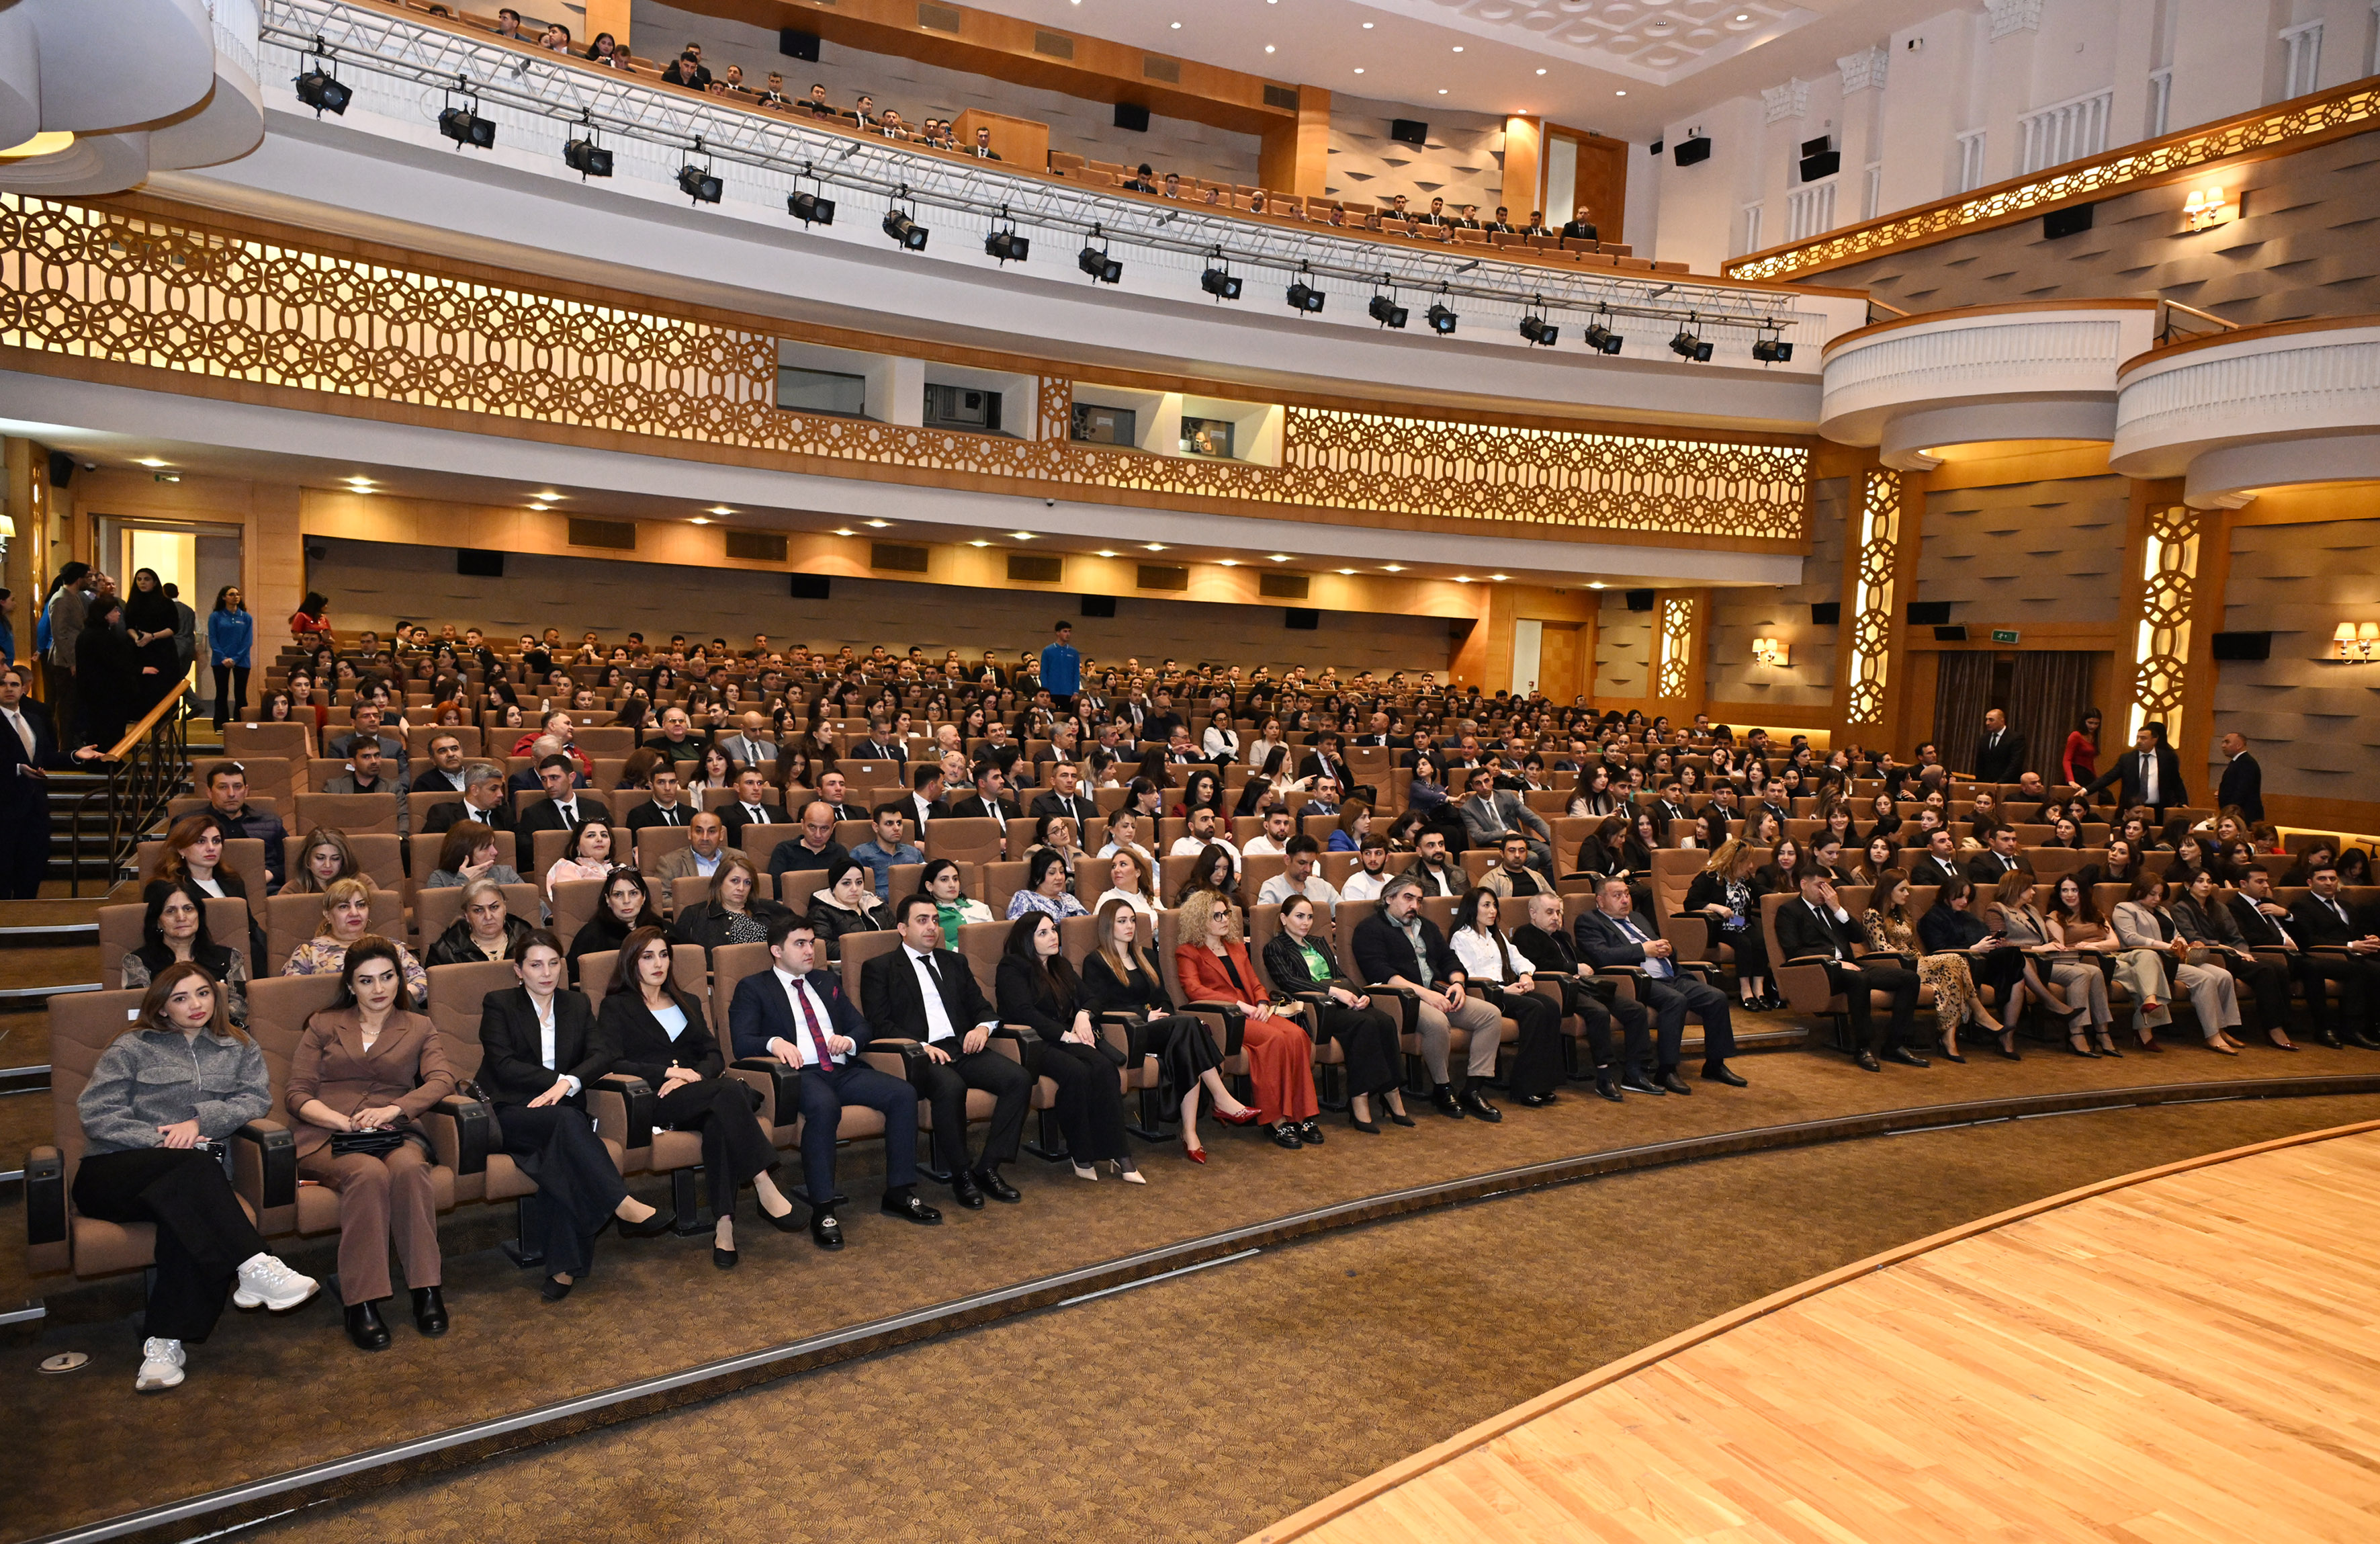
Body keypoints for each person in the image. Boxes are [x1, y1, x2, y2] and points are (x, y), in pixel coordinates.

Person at [74, 963, 322, 1390]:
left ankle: (164, 1342)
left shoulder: (239, 1046)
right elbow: (97, 1112)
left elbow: (254, 1100)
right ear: (162, 1007)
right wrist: (162, 1140)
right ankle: (253, 1264)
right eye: (181, 997)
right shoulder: (132, 1046)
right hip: (115, 1171)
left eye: (204, 993)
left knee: (185, 1212)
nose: (196, 1005)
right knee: (191, 1170)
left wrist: (199, 1121)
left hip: (191, 1179)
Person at [476, 933, 675, 1299]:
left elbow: (602, 1055)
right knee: (569, 1126)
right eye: (536, 965)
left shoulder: (576, 1003)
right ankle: (620, 1202)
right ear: (518, 970)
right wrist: (557, 1082)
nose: (546, 973)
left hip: (560, 1111)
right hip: (511, 1111)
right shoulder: (499, 1003)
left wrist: (568, 1083)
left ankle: (564, 1269)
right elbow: (503, 1064)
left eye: (554, 963)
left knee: (559, 1155)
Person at [283, 937, 455, 1349]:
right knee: (367, 1174)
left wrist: (395, 1109)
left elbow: (442, 1079)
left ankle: (426, 1289)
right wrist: (340, 1121)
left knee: (410, 1168)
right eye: (366, 980)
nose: (379, 989)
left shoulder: (418, 1026)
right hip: (328, 1135)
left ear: (399, 979)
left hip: (392, 1131)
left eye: (387, 977)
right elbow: (297, 1093)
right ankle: (361, 1301)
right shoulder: (323, 1025)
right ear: (350, 985)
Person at [728, 913, 938, 1247]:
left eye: (812, 943)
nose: (810, 950)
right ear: (777, 951)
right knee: (825, 1107)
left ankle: (899, 1191)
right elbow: (741, 1042)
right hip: (799, 1075)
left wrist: (850, 1040)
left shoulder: (826, 982)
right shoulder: (754, 987)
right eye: (800, 944)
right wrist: (774, 1043)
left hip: (842, 1069)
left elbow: (862, 1026)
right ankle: (823, 1208)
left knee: (903, 1094)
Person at [599, 927, 797, 1267]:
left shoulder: (687, 1001)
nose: (658, 964)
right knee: (729, 1091)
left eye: (664, 955)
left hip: (703, 1094)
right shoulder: (616, 1007)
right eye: (648, 957)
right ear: (631, 962)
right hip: (655, 1097)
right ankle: (762, 1179)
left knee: (719, 1122)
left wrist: (695, 1076)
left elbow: (714, 1054)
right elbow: (613, 1061)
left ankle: (724, 1226)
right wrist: (670, 1073)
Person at [861, 894, 1034, 1209]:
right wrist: (921, 1047)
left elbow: (981, 1007)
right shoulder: (880, 968)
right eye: (922, 921)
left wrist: (982, 1029)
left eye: (935, 920)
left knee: (1019, 1079)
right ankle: (962, 1174)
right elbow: (879, 1024)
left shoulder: (955, 962)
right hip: (917, 1056)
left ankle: (988, 1167)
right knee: (951, 1087)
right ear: (902, 928)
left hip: (961, 1047)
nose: (932, 927)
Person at [1174, 889, 1323, 1148]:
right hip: (1225, 1018)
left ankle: (1301, 1114)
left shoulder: (1236, 947)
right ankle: (1275, 1120)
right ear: (1200, 919)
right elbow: (1195, 991)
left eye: (1226, 914)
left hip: (1253, 1010)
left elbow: (1255, 982)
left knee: (1298, 1035)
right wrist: (1239, 1005)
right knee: (1275, 1039)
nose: (1224, 919)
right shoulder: (1188, 952)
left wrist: (1263, 1002)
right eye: (1217, 915)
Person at [996, 912, 1140, 1182]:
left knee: (1105, 1067)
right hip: (1032, 1043)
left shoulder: (1059, 964)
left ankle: (1119, 1153)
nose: (1053, 936)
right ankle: (1081, 1152)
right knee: (1077, 1072)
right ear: (1026, 940)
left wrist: (1084, 1014)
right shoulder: (1012, 967)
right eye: (1043, 933)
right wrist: (1065, 1035)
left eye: (1053, 930)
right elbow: (1023, 1013)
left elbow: (1093, 998)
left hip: (1065, 1037)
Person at [1350, 873, 1508, 1119]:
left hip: (1437, 993)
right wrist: (1426, 995)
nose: (1414, 905)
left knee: (1490, 1015)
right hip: (1398, 999)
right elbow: (1380, 972)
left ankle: (1473, 1088)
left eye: (1419, 900)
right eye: (1408, 898)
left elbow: (1448, 959)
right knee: (1437, 1021)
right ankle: (1443, 1088)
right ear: (1389, 898)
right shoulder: (1370, 929)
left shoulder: (1427, 927)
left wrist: (1458, 983)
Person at [1574, 874, 1745, 1090]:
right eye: (1617, 896)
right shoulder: (1589, 921)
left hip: (1671, 976)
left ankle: (1715, 1064)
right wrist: (1642, 950)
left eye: (1627, 894)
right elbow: (1601, 957)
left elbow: (1658, 945)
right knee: (1675, 1000)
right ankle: (1667, 1070)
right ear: (1600, 901)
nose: (1625, 900)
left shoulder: (1637, 918)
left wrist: (1669, 950)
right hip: (1637, 981)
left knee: (1717, 997)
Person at [1262, 894, 1407, 1131]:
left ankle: (1392, 1092)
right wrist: (1332, 992)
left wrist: (1361, 994)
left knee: (1385, 1020)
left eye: (1310, 917)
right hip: (1316, 1008)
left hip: (1341, 1001)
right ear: (1284, 918)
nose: (1306, 922)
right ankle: (1359, 1098)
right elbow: (1289, 982)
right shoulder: (1275, 948)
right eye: (1299, 916)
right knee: (1364, 1024)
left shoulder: (1319, 943)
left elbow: (1340, 976)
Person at [1774, 869, 1926, 1072]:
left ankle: (1894, 1044)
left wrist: (1838, 909)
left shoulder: (1831, 908)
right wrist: (1834, 962)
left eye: (1829, 887)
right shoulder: (1789, 911)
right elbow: (1794, 950)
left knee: (1909, 978)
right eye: (1820, 886)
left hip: (1851, 966)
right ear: (1804, 884)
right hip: (1821, 970)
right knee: (1859, 980)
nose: (1825, 892)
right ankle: (1863, 1047)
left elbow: (1857, 937)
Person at [1511, 890, 1651, 1101]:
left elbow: (1588, 961)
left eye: (1558, 913)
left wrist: (1582, 969)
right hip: (1557, 989)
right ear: (1533, 913)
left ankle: (1634, 1071)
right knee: (1598, 1012)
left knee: (1636, 1009)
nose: (1556, 917)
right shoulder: (1525, 935)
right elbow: (1536, 965)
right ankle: (1604, 1075)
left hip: (1585, 986)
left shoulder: (1563, 936)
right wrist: (1573, 968)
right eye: (1549, 912)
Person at [1446, 889, 1567, 1107]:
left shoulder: (1496, 935)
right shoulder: (1461, 938)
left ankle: (1543, 1082)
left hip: (1508, 988)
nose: (1493, 911)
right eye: (1486, 905)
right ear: (1472, 909)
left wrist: (1526, 975)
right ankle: (1524, 1086)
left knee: (1550, 1005)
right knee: (1534, 1009)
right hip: (1486, 994)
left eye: (1494, 905)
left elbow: (1519, 959)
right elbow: (1468, 975)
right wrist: (1503, 990)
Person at [2114, 875, 2247, 1053]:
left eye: (2160, 895)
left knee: (2223, 976)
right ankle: (2212, 1035)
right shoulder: (2125, 908)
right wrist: (2166, 946)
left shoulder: (2163, 911)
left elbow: (2176, 934)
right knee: (2205, 978)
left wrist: (2182, 942)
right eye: (2152, 894)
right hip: (2148, 961)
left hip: (2173, 959)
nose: (2157, 899)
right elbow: (2130, 938)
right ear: (2139, 891)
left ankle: (2223, 1029)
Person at [2170, 869, 2295, 1049]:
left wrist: (2244, 952)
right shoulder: (2181, 908)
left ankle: (2285, 1023)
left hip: (2234, 954)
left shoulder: (2219, 907)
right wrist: (2230, 950)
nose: (2206, 885)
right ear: (2188, 885)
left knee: (2280, 969)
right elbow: (2194, 939)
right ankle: (2273, 1029)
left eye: (2209, 881)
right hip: (2211, 956)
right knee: (2265, 971)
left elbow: (2236, 936)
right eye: (2200, 881)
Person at [1, 662, 80, 896]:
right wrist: (17, 769)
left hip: (35, 809)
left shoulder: (34, 719)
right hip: (4, 808)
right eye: (3, 684)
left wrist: (75, 755)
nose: (9, 688)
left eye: (14, 684)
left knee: (32, 869)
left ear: (23, 689)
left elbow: (46, 756)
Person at [120, 880, 250, 1023]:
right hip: (163, 1035)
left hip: (220, 1032)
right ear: (158, 921)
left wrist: (200, 1024)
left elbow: (239, 1009)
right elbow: (145, 1011)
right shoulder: (137, 962)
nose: (181, 917)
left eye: (188, 909)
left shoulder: (230, 958)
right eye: (170, 911)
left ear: (199, 915)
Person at [2028, 875, 2120, 1054]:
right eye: (2065, 890)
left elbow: (2115, 943)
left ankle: (2102, 1032)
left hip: (2101, 958)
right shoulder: (2056, 917)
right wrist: (2083, 948)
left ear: (2083, 892)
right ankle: (2077, 1032)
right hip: (2069, 961)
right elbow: (2060, 951)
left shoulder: (2096, 914)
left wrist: (2094, 946)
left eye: (2074, 890)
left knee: (2096, 972)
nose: (2069, 895)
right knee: (2087, 972)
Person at [1681, 838, 1773, 1012]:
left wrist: (1780, 896)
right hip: (1719, 924)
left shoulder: (1744, 878)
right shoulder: (1709, 877)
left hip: (1739, 921)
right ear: (1735, 861)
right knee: (1743, 943)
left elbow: (1761, 892)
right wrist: (1715, 907)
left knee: (1761, 941)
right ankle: (1745, 990)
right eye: (1747, 862)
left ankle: (1759, 989)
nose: (1751, 866)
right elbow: (1690, 903)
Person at [670, 853, 790, 955]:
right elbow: (681, 957)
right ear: (720, 882)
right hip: (721, 975)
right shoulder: (694, 914)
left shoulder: (771, 909)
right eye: (735, 881)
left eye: (747, 882)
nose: (741, 888)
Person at [568, 869, 658, 982]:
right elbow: (574, 979)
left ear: (643, 897)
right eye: (618, 895)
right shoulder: (591, 935)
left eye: (633, 893)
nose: (626, 901)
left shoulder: (660, 928)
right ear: (608, 900)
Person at [2084, 722, 2188, 819]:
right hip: (2132, 809)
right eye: (2138, 738)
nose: (2139, 741)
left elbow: (2177, 782)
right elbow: (2109, 777)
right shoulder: (2127, 759)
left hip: (2159, 809)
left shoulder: (2167, 758)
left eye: (2143, 738)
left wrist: (2183, 802)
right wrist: (2086, 790)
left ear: (2154, 740)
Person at [75, 592, 138, 748]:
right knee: (107, 731)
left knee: (101, 729)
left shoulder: (90, 634)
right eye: (115, 611)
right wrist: (138, 670)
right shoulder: (102, 636)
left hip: (97, 692)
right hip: (106, 693)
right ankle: (108, 758)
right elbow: (115, 663)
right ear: (104, 615)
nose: (118, 614)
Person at [426, 877, 533, 966]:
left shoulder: (529, 940)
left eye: (494, 907)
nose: (488, 916)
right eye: (478, 910)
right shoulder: (444, 953)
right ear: (467, 915)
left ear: (505, 908)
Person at [122, 568, 181, 716]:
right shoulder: (133, 603)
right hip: (141, 649)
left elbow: (173, 628)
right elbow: (128, 626)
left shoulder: (166, 603)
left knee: (163, 690)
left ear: (155, 582)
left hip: (163, 650)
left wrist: (153, 636)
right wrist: (136, 638)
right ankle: (142, 725)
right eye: (139, 579)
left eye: (147, 579)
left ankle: (164, 726)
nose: (142, 583)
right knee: (142, 691)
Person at [807, 856, 891, 961]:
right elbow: (822, 947)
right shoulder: (821, 912)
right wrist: (867, 949)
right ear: (834, 887)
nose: (854, 889)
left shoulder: (877, 905)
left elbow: (897, 936)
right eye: (846, 883)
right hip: (847, 966)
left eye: (859, 882)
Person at [423, 822, 523, 890]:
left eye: (493, 845)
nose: (495, 852)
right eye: (486, 848)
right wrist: (463, 881)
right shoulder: (440, 878)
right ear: (465, 853)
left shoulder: (505, 873)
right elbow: (438, 912)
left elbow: (530, 905)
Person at [206, 585, 253, 730]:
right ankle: (221, 724)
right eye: (232, 594)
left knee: (240, 693)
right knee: (222, 692)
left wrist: (235, 659)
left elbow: (247, 641)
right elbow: (213, 639)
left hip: (242, 660)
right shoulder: (216, 616)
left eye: (238, 594)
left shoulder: (246, 617)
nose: (236, 597)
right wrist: (223, 657)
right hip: (220, 660)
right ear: (224, 597)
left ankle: (240, 724)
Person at [1007, 847, 1090, 922]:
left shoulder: (1069, 898)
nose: (1059, 877)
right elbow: (1020, 928)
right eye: (1052, 873)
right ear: (1037, 878)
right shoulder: (1024, 898)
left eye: (1061, 872)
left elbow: (1087, 923)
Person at [2216, 730, 2263, 823]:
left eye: (2227, 742)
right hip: (2238, 815)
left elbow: (2242, 791)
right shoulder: (2238, 762)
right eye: (2223, 742)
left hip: (2243, 816)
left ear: (2239, 745)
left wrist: (2229, 812)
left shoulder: (2247, 763)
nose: (2223, 746)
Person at [1972, 707, 2024, 783]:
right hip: (1987, 783)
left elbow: (2015, 764)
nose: (1987, 723)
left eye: (1991, 720)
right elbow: (1980, 763)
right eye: (1986, 720)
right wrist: (1978, 783)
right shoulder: (1984, 738)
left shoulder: (2015, 738)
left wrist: (1999, 782)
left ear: (2002, 721)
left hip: (2007, 783)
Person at [2062, 707, 2102, 788]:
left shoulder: (2094, 737)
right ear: (2084, 721)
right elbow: (2067, 760)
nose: (2093, 726)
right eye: (2090, 723)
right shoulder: (2076, 736)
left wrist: (2095, 779)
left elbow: (2090, 762)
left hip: (2088, 774)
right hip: (2077, 773)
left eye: (2096, 724)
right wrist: (2071, 780)